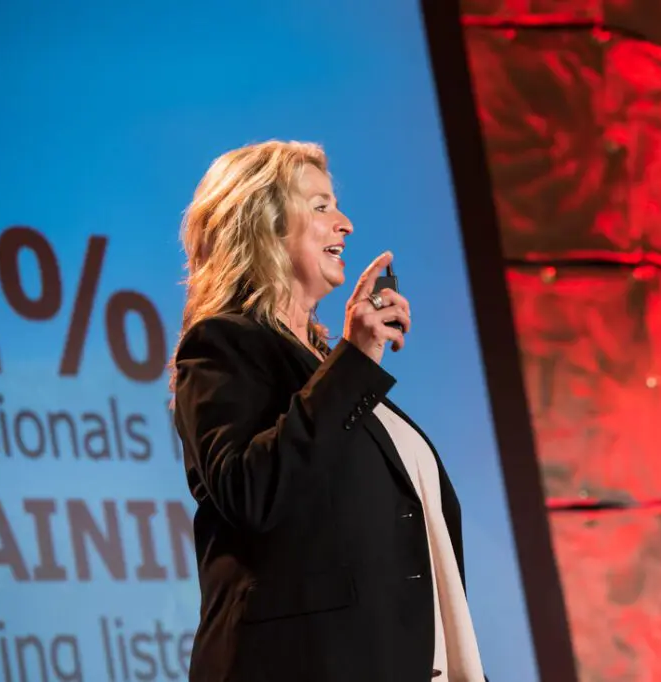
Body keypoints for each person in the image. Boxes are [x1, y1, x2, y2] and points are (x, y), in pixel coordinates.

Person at [169, 140, 487, 681]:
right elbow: (253, 492)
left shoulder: (324, 368)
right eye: (320, 207)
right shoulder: (222, 344)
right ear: (262, 225)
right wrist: (355, 359)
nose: (345, 223)